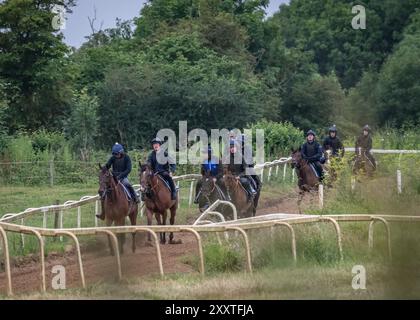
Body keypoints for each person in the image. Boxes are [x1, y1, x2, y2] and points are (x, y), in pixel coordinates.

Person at [96, 143, 138, 220]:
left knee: (128, 184)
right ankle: (103, 213)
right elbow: (108, 165)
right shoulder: (113, 158)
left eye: (117, 154)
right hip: (114, 177)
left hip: (123, 177)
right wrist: (103, 168)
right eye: (115, 154)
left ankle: (135, 197)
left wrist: (121, 176)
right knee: (105, 192)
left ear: (121, 152)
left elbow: (128, 169)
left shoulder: (127, 158)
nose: (116, 155)